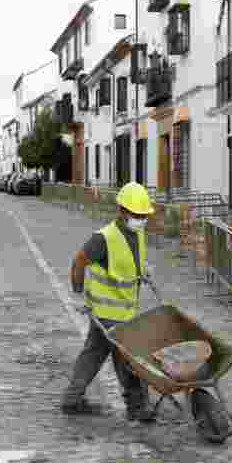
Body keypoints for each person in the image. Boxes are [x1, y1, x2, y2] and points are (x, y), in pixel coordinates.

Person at [60, 181, 157, 423]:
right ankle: (137, 408)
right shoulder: (103, 238)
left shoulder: (136, 233)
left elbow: (130, 260)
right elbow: (78, 262)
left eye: (144, 215)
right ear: (122, 211)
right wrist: (76, 292)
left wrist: (142, 269)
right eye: (137, 215)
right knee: (129, 361)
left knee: (93, 353)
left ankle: (72, 399)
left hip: (120, 311)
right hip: (111, 314)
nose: (142, 219)